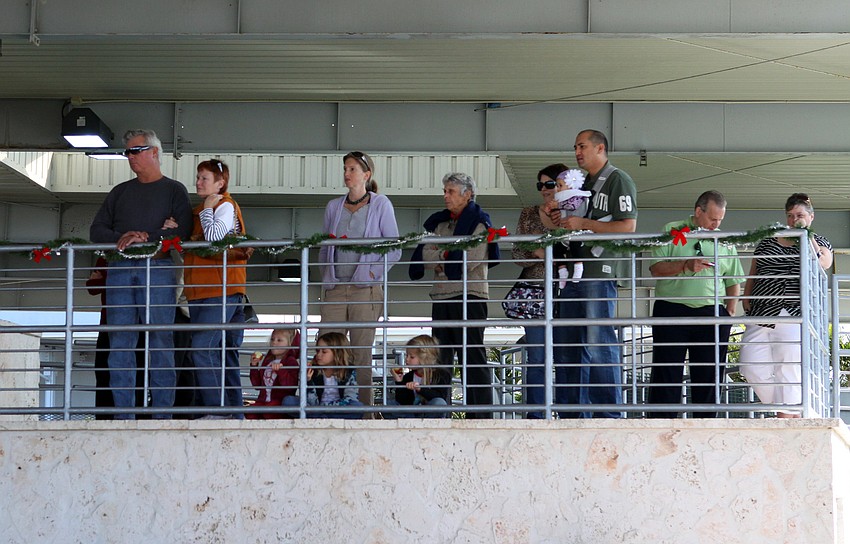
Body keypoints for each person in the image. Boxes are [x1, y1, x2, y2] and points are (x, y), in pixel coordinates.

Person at [89, 129, 192, 419]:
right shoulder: (120, 191)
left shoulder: (174, 190)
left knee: (160, 341)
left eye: (136, 150)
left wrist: (146, 237)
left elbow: (183, 230)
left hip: (158, 267)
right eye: (128, 152)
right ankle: (124, 417)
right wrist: (125, 236)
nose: (130, 157)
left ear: (155, 152)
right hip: (120, 269)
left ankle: (162, 417)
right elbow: (96, 230)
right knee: (120, 343)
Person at [551, 130, 638, 418]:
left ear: (601, 147)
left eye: (582, 146)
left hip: (598, 272)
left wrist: (582, 223)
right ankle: (570, 414)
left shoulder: (617, 179)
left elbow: (627, 227)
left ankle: (608, 414)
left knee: (598, 340)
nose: (577, 151)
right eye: (575, 146)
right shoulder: (580, 182)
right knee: (567, 344)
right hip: (573, 275)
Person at [410, 172, 500, 418]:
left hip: (471, 296)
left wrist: (443, 257)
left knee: (472, 355)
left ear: (467, 194)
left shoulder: (480, 222)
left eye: (450, 191)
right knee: (440, 357)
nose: (445, 196)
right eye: (445, 191)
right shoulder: (438, 223)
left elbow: (471, 258)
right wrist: (446, 257)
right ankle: (439, 411)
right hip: (442, 297)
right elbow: (426, 256)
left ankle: (480, 416)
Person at [648, 190, 745, 418]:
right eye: (712, 218)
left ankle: (706, 427)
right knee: (666, 372)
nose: (716, 224)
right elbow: (655, 269)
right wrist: (685, 265)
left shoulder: (725, 241)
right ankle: (661, 427)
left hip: (712, 314)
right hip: (672, 309)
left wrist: (729, 312)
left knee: (709, 376)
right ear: (698, 211)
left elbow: (734, 280)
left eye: (720, 219)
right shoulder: (671, 230)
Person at [317, 151, 401, 408]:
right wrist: (327, 275)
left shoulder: (381, 204)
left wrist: (373, 272)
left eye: (352, 169)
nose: (347, 173)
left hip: (365, 289)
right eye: (345, 168)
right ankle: (322, 406)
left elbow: (394, 247)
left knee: (362, 352)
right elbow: (324, 245)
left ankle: (365, 412)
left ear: (366, 175)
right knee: (326, 349)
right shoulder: (334, 206)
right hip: (335, 288)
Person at [740, 193, 833, 418]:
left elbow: (822, 263)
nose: (794, 220)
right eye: (790, 216)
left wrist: (805, 234)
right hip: (762, 311)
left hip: (794, 311)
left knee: (790, 367)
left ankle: (786, 416)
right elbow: (755, 271)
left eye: (800, 215)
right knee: (749, 363)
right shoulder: (768, 241)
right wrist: (747, 299)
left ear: (811, 217)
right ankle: (788, 409)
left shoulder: (818, 242)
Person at [183, 159, 252, 418]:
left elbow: (214, 240)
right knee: (225, 353)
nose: (198, 182)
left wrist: (207, 210)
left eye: (204, 178)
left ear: (220, 183)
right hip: (207, 289)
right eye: (198, 177)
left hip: (220, 289)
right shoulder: (205, 209)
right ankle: (234, 413)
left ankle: (217, 410)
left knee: (203, 346)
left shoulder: (223, 206)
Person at [511, 163, 568, 418]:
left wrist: (549, 252)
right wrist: (540, 254)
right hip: (533, 292)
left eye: (549, 184)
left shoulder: (575, 211)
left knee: (567, 354)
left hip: (568, 290)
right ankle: (535, 415)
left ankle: (570, 412)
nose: (544, 190)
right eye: (540, 185)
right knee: (537, 356)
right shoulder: (528, 213)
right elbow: (516, 252)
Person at [283, 332, 363, 418]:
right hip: (316, 407)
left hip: (336, 408)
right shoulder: (313, 369)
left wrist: (325, 407)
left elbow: (350, 397)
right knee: (288, 401)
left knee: (358, 407)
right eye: (317, 351)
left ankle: (321, 416)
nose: (318, 355)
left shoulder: (348, 370)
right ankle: (324, 416)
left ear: (337, 353)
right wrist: (308, 381)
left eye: (324, 351)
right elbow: (312, 402)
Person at [389, 335, 452, 418]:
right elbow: (403, 402)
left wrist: (420, 389)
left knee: (439, 403)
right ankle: (413, 423)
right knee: (389, 405)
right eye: (406, 356)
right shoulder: (408, 376)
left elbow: (440, 397)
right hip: (412, 414)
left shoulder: (441, 374)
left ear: (425, 358)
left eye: (412, 357)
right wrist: (399, 382)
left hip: (430, 414)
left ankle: (422, 424)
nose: (407, 360)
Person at [248, 329, 300, 419]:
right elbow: (257, 385)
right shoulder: (268, 360)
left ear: (290, 343)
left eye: (279, 340)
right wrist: (254, 365)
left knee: (270, 412)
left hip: (278, 402)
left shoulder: (291, 362)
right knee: (250, 413)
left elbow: (290, 387)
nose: (274, 343)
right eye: (272, 339)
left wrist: (281, 371)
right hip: (263, 402)